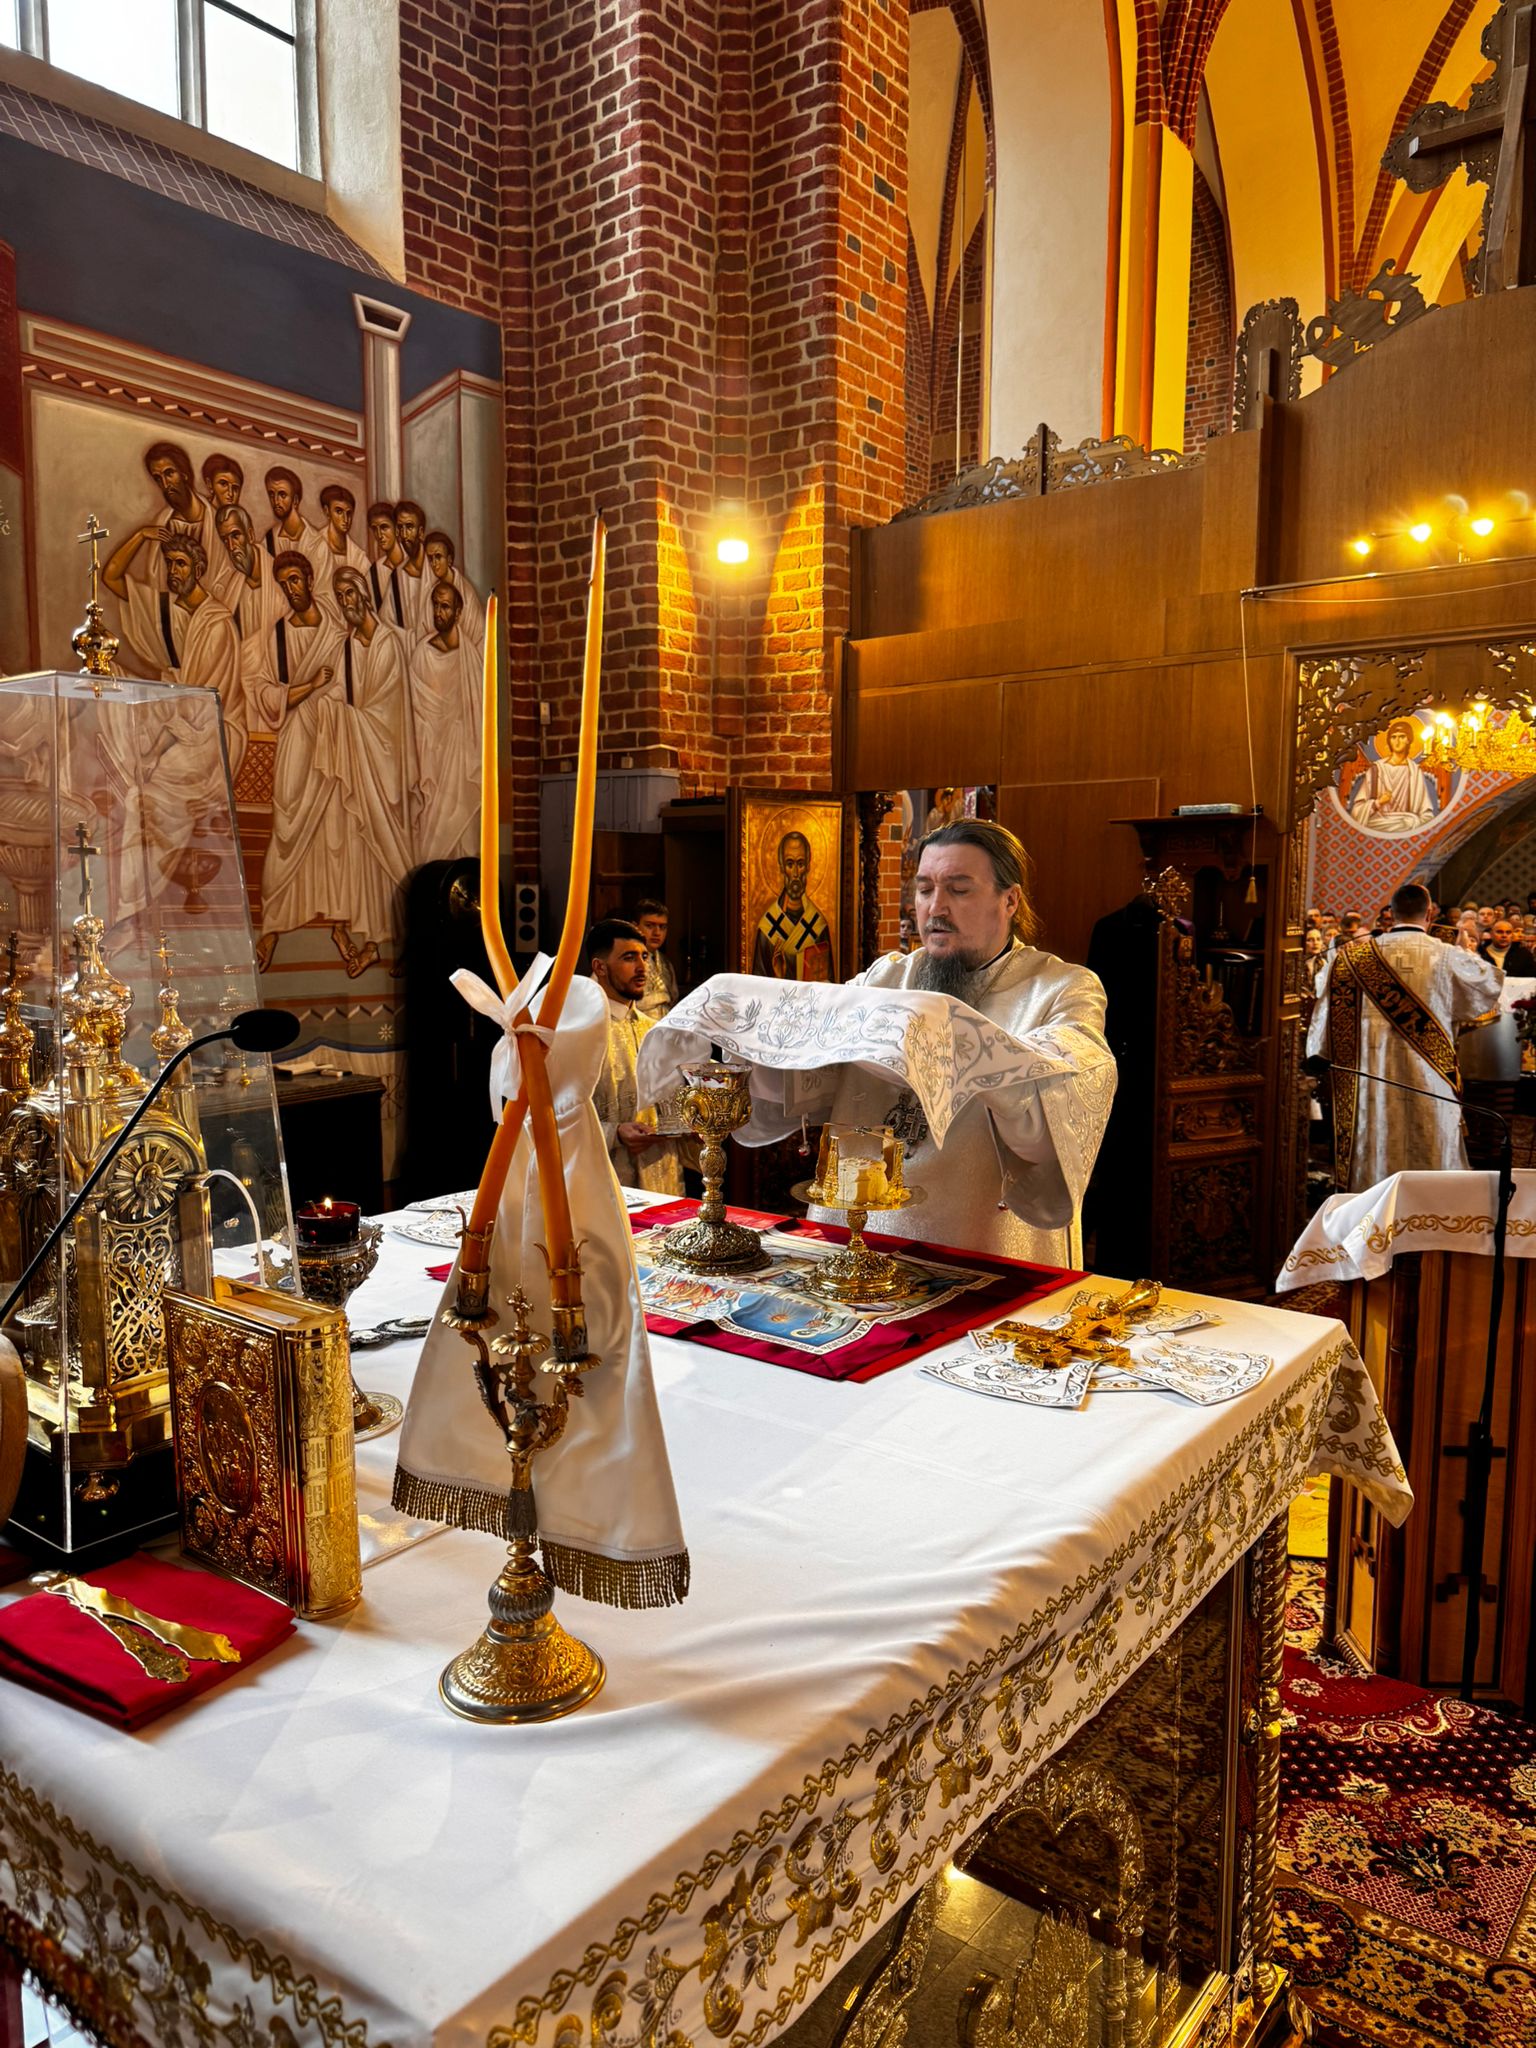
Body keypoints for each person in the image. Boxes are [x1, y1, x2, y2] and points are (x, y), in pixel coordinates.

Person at [813, 819, 1115, 1265]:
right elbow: (810, 1047)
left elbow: (1065, 1086)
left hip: (983, 1245)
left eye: (958, 890)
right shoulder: (887, 978)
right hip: (859, 1241)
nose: (935, 908)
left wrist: (961, 1048)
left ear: (1009, 900)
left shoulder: (1062, 989)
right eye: (924, 889)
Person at [1307, 879, 1501, 1192]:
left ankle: (1371, 1209)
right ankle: (1434, 1212)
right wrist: (1466, 948)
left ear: (1392, 914)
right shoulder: (1447, 956)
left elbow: (1324, 1009)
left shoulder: (1352, 958)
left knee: (1376, 1139)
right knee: (1431, 1143)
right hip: (1430, 1079)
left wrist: (1319, 1051)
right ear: (1429, 915)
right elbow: (1488, 989)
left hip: (1371, 1079)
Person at [250, 551, 347, 973]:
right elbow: (265, 694)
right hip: (296, 739)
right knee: (286, 826)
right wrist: (308, 686)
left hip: (332, 741)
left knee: (335, 832)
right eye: (283, 583)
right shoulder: (275, 636)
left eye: (295, 579)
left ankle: (341, 926)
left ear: (309, 578)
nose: (290, 589)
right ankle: (272, 925)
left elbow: (352, 686)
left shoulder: (337, 632)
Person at [586, 918, 684, 1195]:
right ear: (600, 967)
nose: (642, 968)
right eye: (629, 958)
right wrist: (615, 1133)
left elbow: (673, 1103)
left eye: (644, 957)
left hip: (662, 1183)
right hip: (606, 1187)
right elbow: (556, 1117)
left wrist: (693, 1125)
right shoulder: (580, 1032)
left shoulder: (656, 1031)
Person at [412, 578, 481, 862]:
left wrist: (458, 727)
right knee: (432, 839)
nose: (439, 612)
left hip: (462, 758)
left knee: (467, 836)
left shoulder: (470, 658)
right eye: (435, 606)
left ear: (458, 613)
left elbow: (479, 714)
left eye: (445, 607)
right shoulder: (422, 653)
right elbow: (417, 709)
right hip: (434, 756)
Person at [752, 830, 832, 979]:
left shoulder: (817, 925)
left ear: (808, 866)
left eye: (800, 864)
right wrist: (778, 977)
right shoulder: (768, 927)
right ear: (782, 867)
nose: (795, 873)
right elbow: (757, 983)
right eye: (790, 864)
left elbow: (826, 983)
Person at [1348, 719, 1435, 833]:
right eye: (1393, 737)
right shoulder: (1376, 769)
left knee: (1412, 821)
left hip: (1405, 822)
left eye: (1402, 737)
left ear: (1409, 740)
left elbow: (1425, 812)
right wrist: (1378, 802)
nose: (1397, 741)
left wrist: (1420, 820)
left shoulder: (1414, 771)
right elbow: (1357, 810)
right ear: (1389, 741)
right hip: (1378, 822)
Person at [261, 466, 327, 582]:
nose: (276, 501)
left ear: (295, 500)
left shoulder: (317, 544)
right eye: (271, 495)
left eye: (282, 495)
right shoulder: (268, 541)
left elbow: (323, 590)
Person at [423, 530, 485, 646]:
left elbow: (478, 636)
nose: (434, 563)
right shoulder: (429, 593)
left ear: (449, 559)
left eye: (438, 557)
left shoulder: (467, 595)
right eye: (430, 559)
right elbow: (424, 631)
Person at [318, 483, 370, 590]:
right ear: (327, 511)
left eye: (349, 513)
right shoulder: (313, 546)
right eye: (339, 511)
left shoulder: (358, 556)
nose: (345, 519)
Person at [633, 897, 678, 1019]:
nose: (657, 933)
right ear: (635, 926)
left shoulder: (666, 963)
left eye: (662, 927)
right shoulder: (624, 960)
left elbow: (673, 1000)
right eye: (649, 926)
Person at [366, 501, 407, 627]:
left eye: (384, 527)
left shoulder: (414, 563)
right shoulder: (373, 574)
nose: (379, 535)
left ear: (396, 529)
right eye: (375, 529)